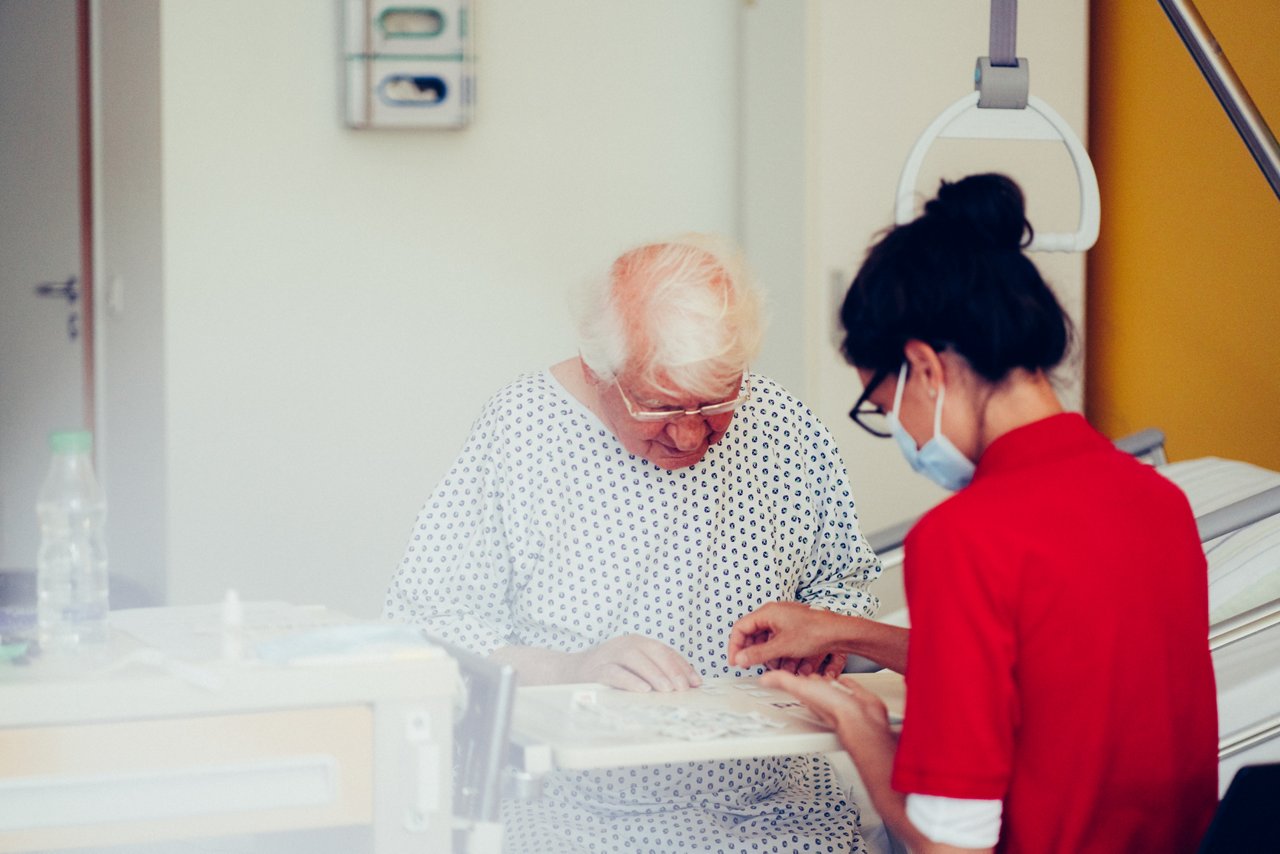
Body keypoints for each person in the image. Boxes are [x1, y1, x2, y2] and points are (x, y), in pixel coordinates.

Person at [728, 174, 1219, 853]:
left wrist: (863, 732)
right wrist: (841, 630)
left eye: (881, 407)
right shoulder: (1157, 503)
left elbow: (951, 848)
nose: (896, 428)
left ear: (924, 367)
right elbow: (1045, 670)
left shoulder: (966, 538)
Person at [384, 234, 884, 853]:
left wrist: (821, 645)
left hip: (771, 805)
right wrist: (571, 668)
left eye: (716, 402)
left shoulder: (785, 426)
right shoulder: (523, 429)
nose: (689, 434)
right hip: (572, 810)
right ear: (599, 372)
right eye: (660, 405)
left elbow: (844, 590)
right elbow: (426, 626)